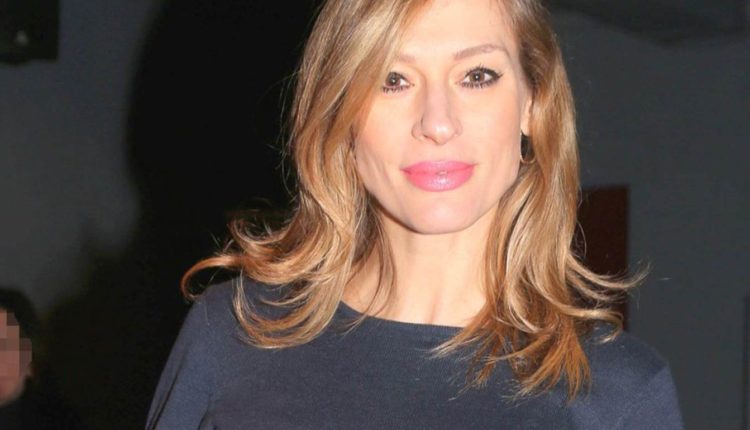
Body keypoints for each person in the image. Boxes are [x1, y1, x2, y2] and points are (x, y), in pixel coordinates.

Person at [147, 0, 684, 428]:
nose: (437, 122)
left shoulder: (619, 395)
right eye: (393, 79)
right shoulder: (232, 336)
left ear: (532, 104)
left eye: (477, 75)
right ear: (342, 114)